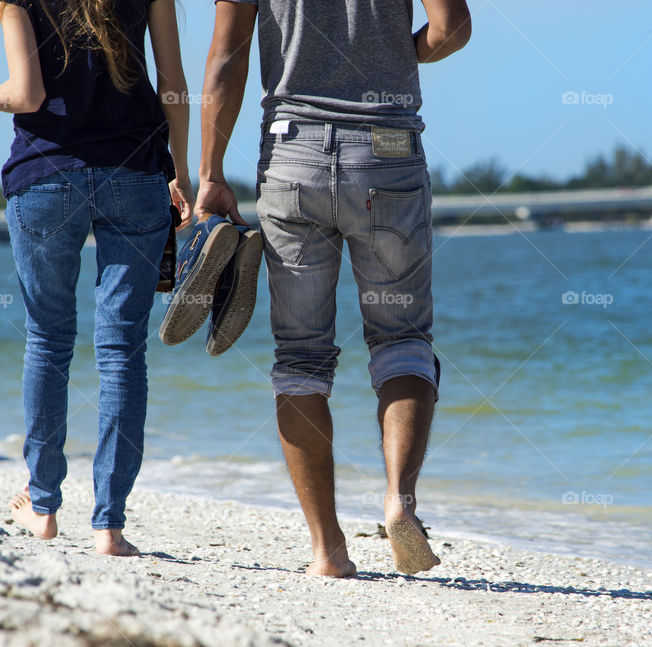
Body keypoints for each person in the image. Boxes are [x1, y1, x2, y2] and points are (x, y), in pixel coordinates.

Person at [195, 0, 471, 576]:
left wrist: (211, 174)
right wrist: (400, 55)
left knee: (300, 358)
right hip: (388, 153)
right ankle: (400, 499)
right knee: (402, 340)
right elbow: (452, 29)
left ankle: (327, 549)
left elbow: (227, 55)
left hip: (292, 156)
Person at [0, 0, 194, 556]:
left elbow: (27, 95)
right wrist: (185, 171)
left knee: (48, 341)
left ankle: (45, 508)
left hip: (47, 177)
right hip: (137, 173)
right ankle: (110, 527)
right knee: (123, 350)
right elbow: (173, 85)